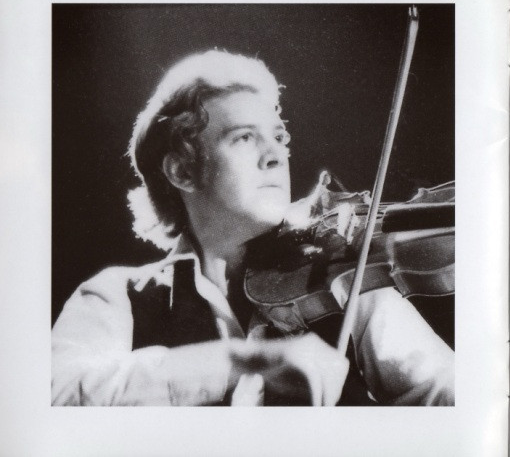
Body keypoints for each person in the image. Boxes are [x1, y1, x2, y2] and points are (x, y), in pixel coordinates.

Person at [51, 50, 454, 406]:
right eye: (244, 138)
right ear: (182, 171)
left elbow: (447, 395)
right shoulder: (117, 295)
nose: (275, 156)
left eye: (279, 138)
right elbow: (58, 394)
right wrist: (241, 363)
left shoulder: (339, 276)